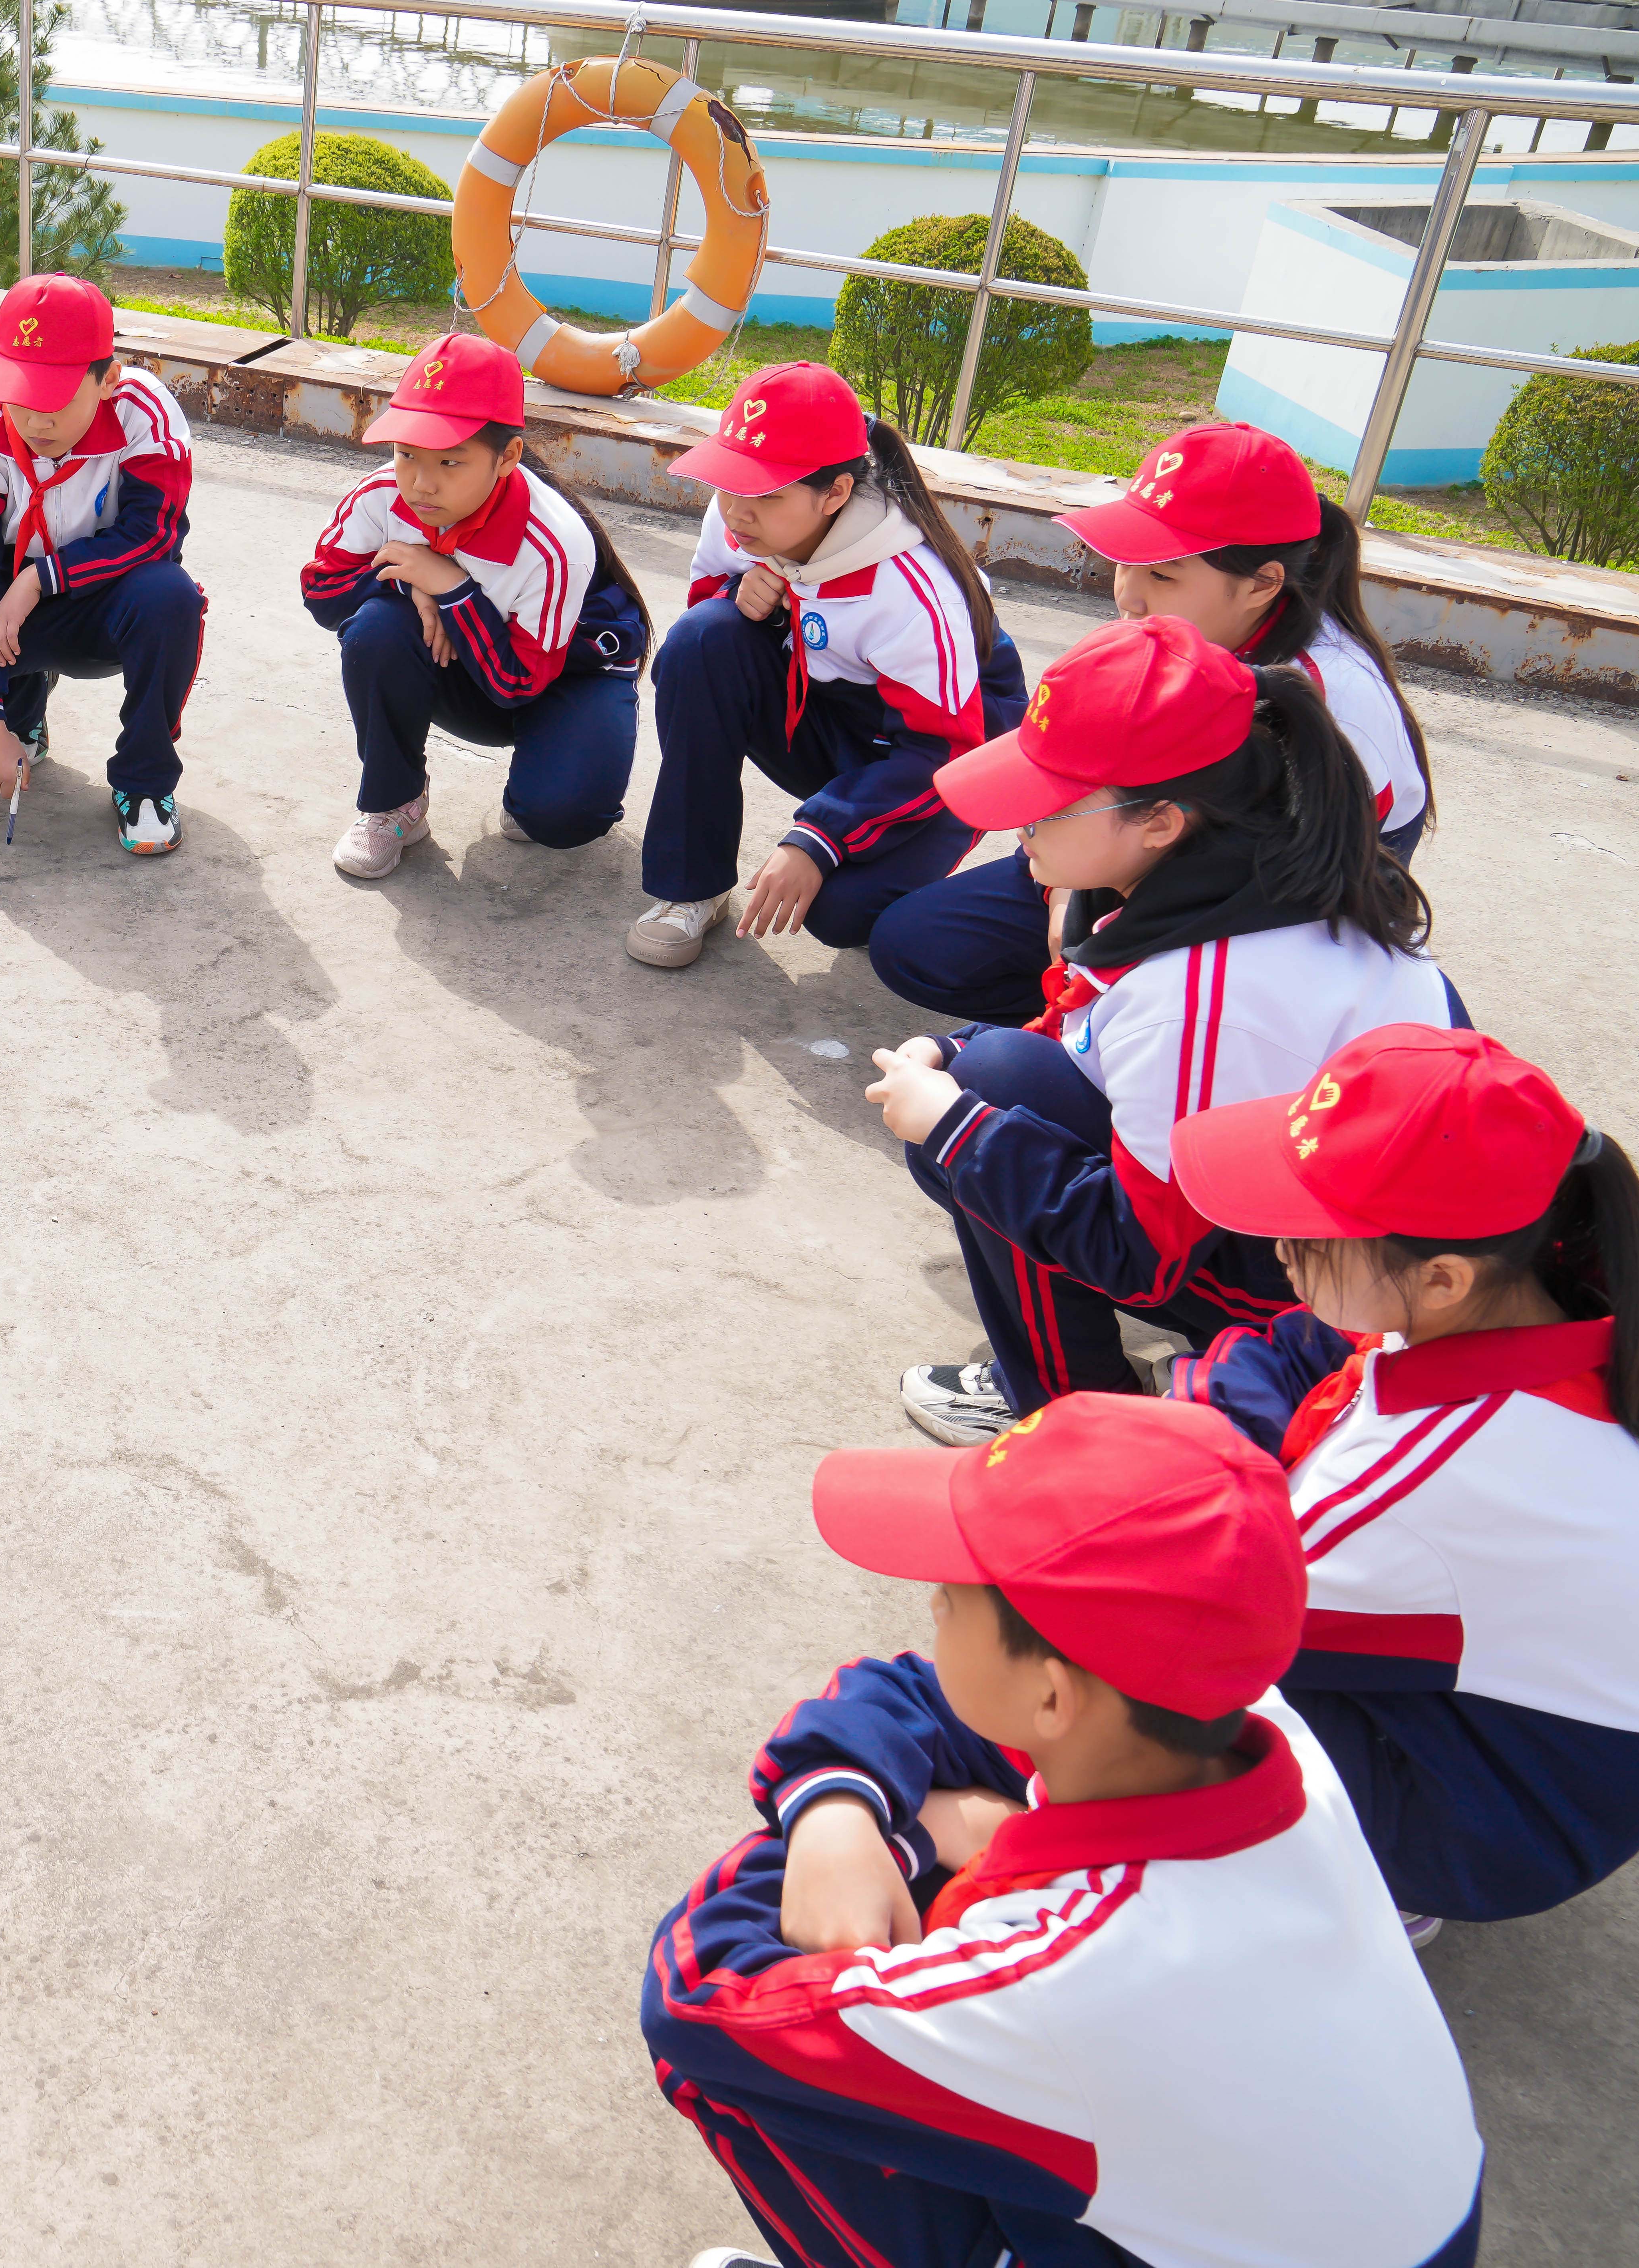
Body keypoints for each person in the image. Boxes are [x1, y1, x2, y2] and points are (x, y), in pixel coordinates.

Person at [640, 1392, 1486, 2268]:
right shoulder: (1236, 1716)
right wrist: (837, 1808)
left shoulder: (1078, 1978)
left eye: (955, 1594)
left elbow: (697, 1998)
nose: (931, 1600)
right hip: (1365, 2225)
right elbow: (913, 1694)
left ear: (1052, 1695)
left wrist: (905, 1834)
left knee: (748, 2069)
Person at [867, 614, 1455, 1448]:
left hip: (1340, 1306)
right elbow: (1080, 1037)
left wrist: (956, 1123)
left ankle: (1078, 1425)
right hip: (1342, 1245)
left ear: (1161, 821)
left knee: (983, 1123)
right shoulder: (1237, 872)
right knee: (990, 1081)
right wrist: (956, 1059)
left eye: (1046, 807)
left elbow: (1136, 1252)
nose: (1019, 827)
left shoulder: (1204, 992)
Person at [1162, 1025, 1639, 1934]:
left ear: (1445, 1276)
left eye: (1311, 1232)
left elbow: (1198, 1626)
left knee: (1148, 1680)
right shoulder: (1547, 1292)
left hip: (1501, 1815)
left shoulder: (1439, 1474)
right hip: (1570, 1734)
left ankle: (1370, 1880)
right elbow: (1305, 1349)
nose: (1275, 1245)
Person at [870, 421, 1434, 1026]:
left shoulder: (1337, 699)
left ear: (1263, 583)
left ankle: (1122, 1045)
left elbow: (1295, 876)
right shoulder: (1161, 631)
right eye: (1124, 563)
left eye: (1162, 575)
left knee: (1124, 998)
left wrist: (1107, 926)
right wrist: (1071, 892)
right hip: (1132, 826)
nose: (1129, 598)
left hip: (1272, 875)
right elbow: (1066, 767)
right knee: (913, 945)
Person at [628, 361, 1027, 969]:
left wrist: (816, 840)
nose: (736, 513)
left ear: (835, 493)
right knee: (702, 640)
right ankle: (693, 887)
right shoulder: (739, 517)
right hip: (827, 705)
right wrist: (737, 599)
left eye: (764, 493)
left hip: (938, 758)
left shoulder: (913, 588)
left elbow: (943, 751)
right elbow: (707, 603)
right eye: (728, 483)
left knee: (843, 913)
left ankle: (905, 854)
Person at [0, 273, 206, 856]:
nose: (35, 422)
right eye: (20, 395)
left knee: (170, 597)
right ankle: (22, 704)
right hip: (6, 614)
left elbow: (152, 535)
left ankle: (144, 782)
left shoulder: (144, 414)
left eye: (55, 401)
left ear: (108, 380)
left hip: (106, 605)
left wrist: (39, 578)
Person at [299, 332, 650, 879]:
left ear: (508, 456)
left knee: (560, 817)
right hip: (474, 663)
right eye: (406, 454)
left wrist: (454, 589)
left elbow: (518, 686)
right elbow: (321, 592)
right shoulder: (380, 496)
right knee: (375, 630)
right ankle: (396, 801)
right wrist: (409, 584)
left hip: (564, 675)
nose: (420, 483)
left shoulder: (554, 543)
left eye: (450, 463)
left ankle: (548, 772)